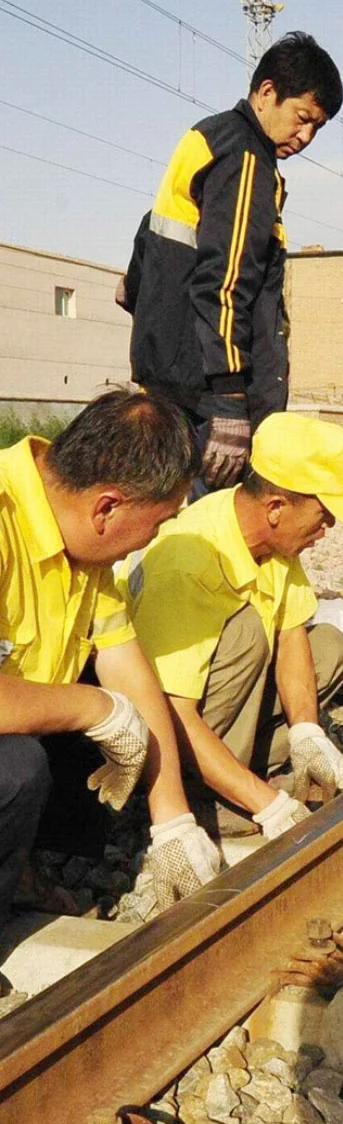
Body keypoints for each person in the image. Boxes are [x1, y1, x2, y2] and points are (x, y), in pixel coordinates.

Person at [0, 387, 221, 931]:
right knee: (17, 768)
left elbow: (125, 663)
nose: (156, 537)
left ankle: (20, 866)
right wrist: (95, 707)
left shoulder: (81, 539)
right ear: (107, 507)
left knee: (107, 744)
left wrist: (172, 816)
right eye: (160, 521)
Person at [119, 414, 343, 836]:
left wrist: (307, 732)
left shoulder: (276, 543)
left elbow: (292, 629)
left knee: (329, 646)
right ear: (276, 507)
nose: (327, 528)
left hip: (210, 702)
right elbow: (168, 709)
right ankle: (201, 796)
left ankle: (234, 772)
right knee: (247, 634)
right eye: (324, 514)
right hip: (150, 732)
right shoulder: (188, 562)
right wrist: (269, 805)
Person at [121, 32, 343, 494]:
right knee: (212, 538)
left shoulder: (207, 136)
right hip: (208, 398)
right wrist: (228, 402)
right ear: (266, 93)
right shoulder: (246, 158)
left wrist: (148, 304)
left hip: (172, 379)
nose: (306, 137)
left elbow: (150, 240)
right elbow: (225, 282)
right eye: (303, 118)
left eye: (317, 128)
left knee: (164, 521)